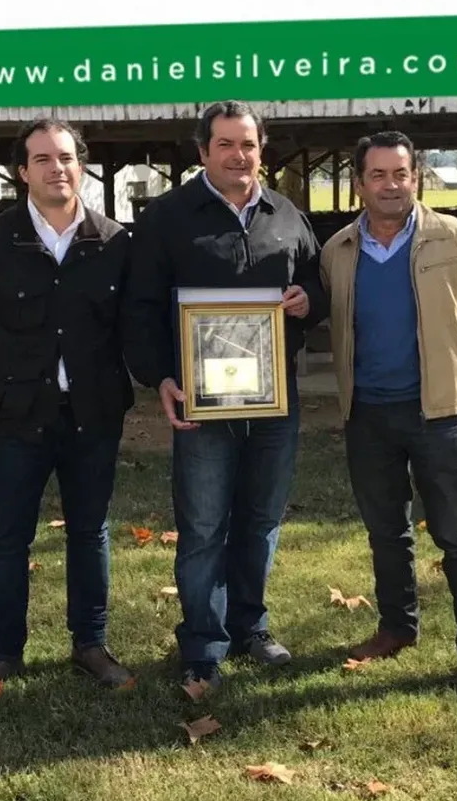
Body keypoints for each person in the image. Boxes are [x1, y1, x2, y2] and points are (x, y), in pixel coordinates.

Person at [122, 100, 328, 695]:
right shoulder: (167, 217)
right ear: (202, 152)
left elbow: (317, 282)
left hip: (273, 399)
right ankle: (203, 646)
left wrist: (309, 302)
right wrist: (160, 377)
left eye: (249, 145)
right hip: (202, 400)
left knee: (261, 519)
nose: (239, 156)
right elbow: (138, 307)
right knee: (205, 524)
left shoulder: (286, 215)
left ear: (262, 151)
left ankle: (249, 626)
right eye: (226, 145)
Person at [0, 117, 135, 688]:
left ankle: (90, 645)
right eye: (44, 159)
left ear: (82, 166)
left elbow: (132, 323)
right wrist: (14, 375)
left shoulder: (115, 243)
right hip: (15, 418)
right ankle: (5, 654)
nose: (58, 168)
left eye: (67, 157)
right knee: (8, 539)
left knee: (90, 532)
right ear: (22, 172)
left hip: (92, 416)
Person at [319, 130, 457, 701]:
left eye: (401, 173)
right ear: (359, 184)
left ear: (416, 178)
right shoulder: (338, 251)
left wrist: (456, 379)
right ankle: (397, 627)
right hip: (366, 414)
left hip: (436, 415)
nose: (391, 185)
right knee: (385, 531)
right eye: (378, 175)